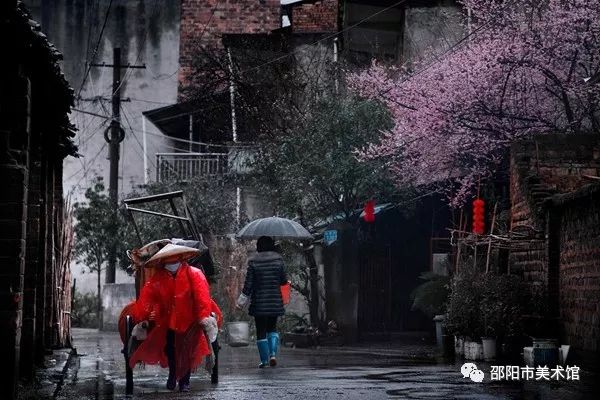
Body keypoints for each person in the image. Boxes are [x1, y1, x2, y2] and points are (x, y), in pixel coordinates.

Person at [129, 244, 220, 392]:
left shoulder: (194, 274)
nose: (172, 263)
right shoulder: (158, 278)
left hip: (190, 320)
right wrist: (143, 317)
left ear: (180, 259)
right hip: (168, 321)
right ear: (164, 262)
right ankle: (173, 374)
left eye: (174, 260)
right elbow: (147, 298)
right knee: (171, 349)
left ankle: (184, 381)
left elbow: (202, 298)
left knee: (187, 351)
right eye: (169, 261)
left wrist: (202, 317)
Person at [237, 236, 287, 368]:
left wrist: (241, 301)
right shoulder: (279, 261)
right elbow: (283, 281)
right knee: (272, 328)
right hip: (275, 301)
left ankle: (264, 360)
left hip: (259, 302)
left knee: (261, 330)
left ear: (258, 247)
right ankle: (273, 355)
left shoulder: (254, 262)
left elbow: (248, 284)